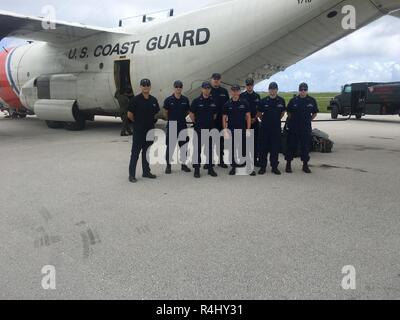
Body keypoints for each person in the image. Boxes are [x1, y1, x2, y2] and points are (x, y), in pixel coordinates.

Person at [128, 79, 160, 183]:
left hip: (149, 131)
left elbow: (156, 114)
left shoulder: (153, 100)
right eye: (143, 85)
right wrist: (138, 124)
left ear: (150, 87)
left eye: (147, 85)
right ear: (140, 87)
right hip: (139, 132)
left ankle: (146, 172)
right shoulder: (135, 100)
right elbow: (130, 115)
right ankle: (131, 175)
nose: (145, 87)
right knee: (135, 153)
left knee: (146, 153)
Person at [285, 83, 319, 174]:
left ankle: (305, 165)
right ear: (299, 90)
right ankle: (288, 164)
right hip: (294, 128)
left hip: (305, 128)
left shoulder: (311, 100)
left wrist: (308, 120)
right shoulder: (293, 100)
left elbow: (315, 113)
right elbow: (288, 112)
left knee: (305, 147)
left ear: (307, 90)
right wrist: (293, 120)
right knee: (291, 146)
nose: (303, 91)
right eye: (301, 90)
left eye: (304, 90)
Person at [222, 84, 255, 176]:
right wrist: (225, 130)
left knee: (245, 149)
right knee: (232, 149)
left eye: (237, 90)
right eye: (233, 90)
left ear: (239, 92)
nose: (235, 92)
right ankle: (233, 167)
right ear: (231, 92)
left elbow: (248, 116)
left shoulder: (244, 103)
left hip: (243, 129)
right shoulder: (227, 104)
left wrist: (248, 129)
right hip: (231, 130)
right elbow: (224, 118)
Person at [189, 81, 218, 178]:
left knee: (210, 149)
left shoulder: (213, 101)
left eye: (208, 88)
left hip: (210, 129)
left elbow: (215, 115)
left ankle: (210, 169)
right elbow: (191, 114)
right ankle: (197, 169)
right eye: (205, 88)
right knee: (197, 150)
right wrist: (196, 123)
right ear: (202, 89)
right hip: (199, 129)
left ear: (210, 90)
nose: (206, 90)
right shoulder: (196, 101)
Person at [257, 82, 286, 175]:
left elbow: (282, 113)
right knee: (263, 148)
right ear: (268, 90)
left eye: (274, 89)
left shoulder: (281, 100)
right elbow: (259, 113)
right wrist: (265, 121)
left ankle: (274, 167)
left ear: (277, 90)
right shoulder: (263, 101)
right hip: (265, 129)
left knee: (275, 148)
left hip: (276, 129)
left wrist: (276, 120)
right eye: (271, 89)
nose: (272, 90)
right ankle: (262, 167)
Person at [164, 80, 191, 174]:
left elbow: (187, 112)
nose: (178, 88)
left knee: (183, 146)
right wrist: (171, 120)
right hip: (172, 126)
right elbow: (165, 112)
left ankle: (183, 165)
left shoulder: (185, 100)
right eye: (176, 86)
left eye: (180, 86)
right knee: (170, 147)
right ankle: (168, 166)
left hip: (182, 126)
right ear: (174, 88)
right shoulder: (168, 100)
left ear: (182, 88)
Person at [210, 73, 230, 169]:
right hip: (210, 121)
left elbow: (227, 106)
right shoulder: (207, 90)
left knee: (220, 142)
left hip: (221, 121)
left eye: (218, 79)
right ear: (211, 80)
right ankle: (209, 161)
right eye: (214, 79)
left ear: (220, 80)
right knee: (209, 142)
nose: (216, 80)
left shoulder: (224, 91)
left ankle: (221, 160)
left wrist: (227, 119)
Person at [240, 78, 261, 166]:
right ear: (246, 85)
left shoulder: (257, 96)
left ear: (253, 85)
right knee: (244, 142)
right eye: (248, 85)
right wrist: (247, 118)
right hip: (244, 122)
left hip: (254, 121)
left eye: (251, 85)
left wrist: (255, 118)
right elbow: (240, 109)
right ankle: (244, 159)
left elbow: (259, 109)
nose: (249, 86)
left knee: (255, 141)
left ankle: (255, 159)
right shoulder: (242, 96)